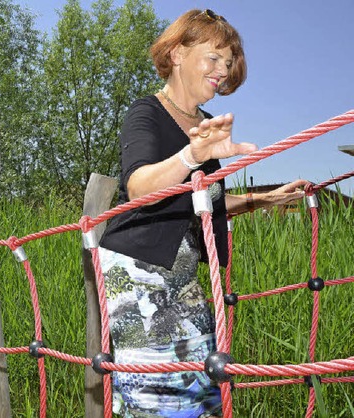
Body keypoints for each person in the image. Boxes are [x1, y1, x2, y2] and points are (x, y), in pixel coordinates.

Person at [98, 9, 308, 417]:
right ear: (177, 54)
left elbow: (202, 204)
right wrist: (191, 154)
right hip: (137, 268)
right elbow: (139, 186)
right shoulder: (147, 112)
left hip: (186, 272)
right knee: (153, 396)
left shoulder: (208, 124)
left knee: (202, 384)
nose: (222, 71)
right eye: (213, 58)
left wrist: (262, 200)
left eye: (228, 64)